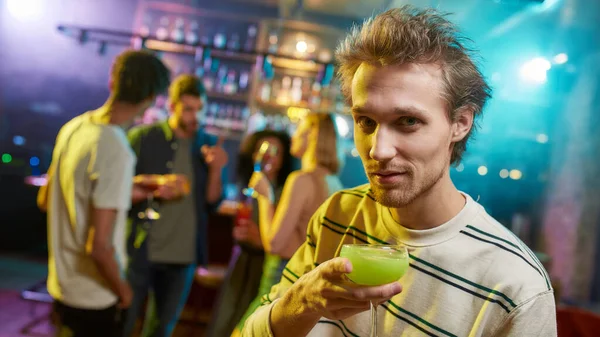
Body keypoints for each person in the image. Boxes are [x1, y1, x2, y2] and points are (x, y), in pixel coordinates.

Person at [243, 6, 557, 337]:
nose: (378, 150)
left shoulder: (516, 287)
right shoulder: (339, 213)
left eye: (408, 121)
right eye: (365, 121)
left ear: (460, 123)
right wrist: (301, 303)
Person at [37, 50, 170, 337]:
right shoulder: (115, 149)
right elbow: (99, 246)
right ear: (151, 99)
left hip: (62, 286)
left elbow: (46, 199)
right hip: (94, 296)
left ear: (113, 81)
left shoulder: (74, 127)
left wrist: (130, 188)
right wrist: (125, 293)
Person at [122, 74, 228, 337]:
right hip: (141, 249)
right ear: (172, 107)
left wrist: (216, 170)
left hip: (183, 256)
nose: (196, 117)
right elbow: (117, 187)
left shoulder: (208, 144)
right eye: (189, 109)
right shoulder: (143, 137)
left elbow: (213, 203)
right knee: (123, 322)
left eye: (200, 109)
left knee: (161, 329)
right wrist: (155, 187)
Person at [235, 113, 344, 334]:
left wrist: (266, 197)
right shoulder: (333, 182)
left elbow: (274, 244)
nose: (293, 135)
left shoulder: (301, 179)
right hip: (306, 279)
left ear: (312, 135)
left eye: (300, 129)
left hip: (282, 277)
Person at [206, 130, 293, 337]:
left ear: (283, 159)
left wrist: (260, 239)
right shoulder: (249, 188)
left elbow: (285, 242)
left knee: (248, 325)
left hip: (264, 269)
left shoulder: (285, 193)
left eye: (275, 152)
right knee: (224, 319)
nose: (268, 156)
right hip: (241, 261)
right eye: (262, 150)